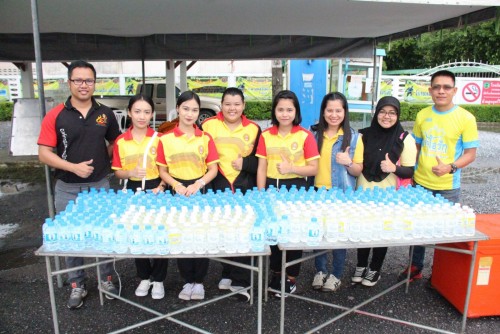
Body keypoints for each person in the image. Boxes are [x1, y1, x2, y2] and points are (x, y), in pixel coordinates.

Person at [37, 60, 121, 309]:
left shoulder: (105, 113)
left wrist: (102, 158)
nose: (84, 85)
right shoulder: (55, 115)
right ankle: (77, 284)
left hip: (100, 185)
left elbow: (116, 142)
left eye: (89, 80)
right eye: (78, 80)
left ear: (95, 83)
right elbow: (44, 153)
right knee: (71, 238)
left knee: (104, 236)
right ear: (69, 82)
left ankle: (106, 279)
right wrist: (73, 167)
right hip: (67, 187)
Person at [398, 70, 478, 282]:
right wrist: (411, 172)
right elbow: (416, 146)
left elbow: (470, 154)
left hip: (448, 186)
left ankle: (442, 274)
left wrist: (450, 167)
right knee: (418, 229)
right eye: (436, 87)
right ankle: (415, 267)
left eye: (446, 87)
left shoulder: (466, 118)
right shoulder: (423, 115)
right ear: (430, 90)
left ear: (454, 90)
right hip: (421, 183)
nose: (441, 91)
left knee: (447, 233)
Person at [156, 91, 219, 301]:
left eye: (194, 110)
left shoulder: (205, 137)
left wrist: (198, 184)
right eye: (186, 109)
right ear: (178, 110)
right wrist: (176, 185)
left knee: (200, 235)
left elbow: (213, 169)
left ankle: (199, 282)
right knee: (181, 236)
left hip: (199, 190)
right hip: (177, 192)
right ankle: (186, 281)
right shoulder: (165, 139)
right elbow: (162, 170)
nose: (190, 114)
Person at [256, 90, 319, 296]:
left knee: (293, 234)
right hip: (272, 190)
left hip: (296, 189)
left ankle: (290, 277)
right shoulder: (266, 135)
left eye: (289, 110)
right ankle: (276, 273)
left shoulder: (305, 136)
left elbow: (314, 168)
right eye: (280, 109)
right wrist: (260, 192)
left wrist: (292, 168)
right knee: (274, 234)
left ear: (296, 112)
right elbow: (261, 168)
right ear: (274, 111)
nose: (285, 114)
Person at [202, 87, 261, 302]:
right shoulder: (208, 125)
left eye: (237, 104)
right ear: (221, 105)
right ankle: (227, 270)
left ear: (243, 106)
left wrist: (246, 163)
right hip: (218, 182)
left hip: (244, 184)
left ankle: (241, 281)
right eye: (228, 104)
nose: (232, 108)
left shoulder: (254, 129)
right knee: (224, 229)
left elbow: (262, 162)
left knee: (243, 231)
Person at [352, 96, 417, 287]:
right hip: (364, 189)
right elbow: (357, 164)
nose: (386, 116)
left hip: (389, 193)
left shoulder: (405, 139)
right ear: (376, 112)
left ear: (397, 115)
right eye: (382, 111)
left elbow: (410, 170)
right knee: (363, 228)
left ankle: (375, 268)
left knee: (382, 230)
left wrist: (393, 168)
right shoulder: (364, 135)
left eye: (392, 113)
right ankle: (361, 265)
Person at [111, 94, 168, 300]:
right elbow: (117, 171)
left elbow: (166, 169)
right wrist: (130, 173)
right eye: (137, 111)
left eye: (146, 112)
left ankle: (159, 279)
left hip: (156, 189)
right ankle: (144, 276)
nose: (142, 116)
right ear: (129, 113)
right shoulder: (121, 141)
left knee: (159, 234)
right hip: (132, 190)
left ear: (152, 114)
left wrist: (161, 186)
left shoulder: (160, 139)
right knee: (137, 234)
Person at [308, 92, 363, 292]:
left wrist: (349, 163)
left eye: (338, 110)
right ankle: (320, 270)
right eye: (329, 110)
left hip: (342, 193)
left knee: (339, 234)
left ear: (344, 112)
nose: (333, 114)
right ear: (323, 112)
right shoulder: (313, 134)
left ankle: (337, 274)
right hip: (317, 191)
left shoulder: (354, 137)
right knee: (319, 233)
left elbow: (358, 170)